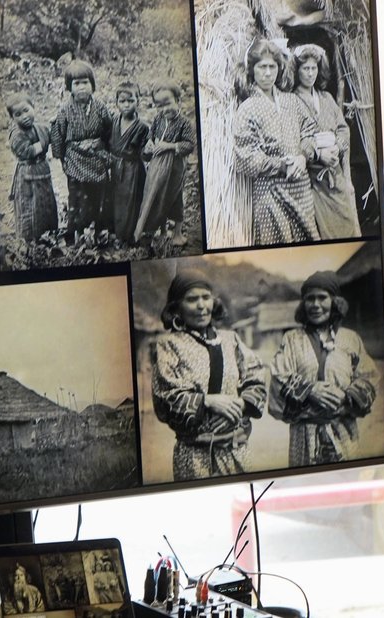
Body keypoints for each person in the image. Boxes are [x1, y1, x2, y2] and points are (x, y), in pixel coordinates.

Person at [150, 268, 267, 480]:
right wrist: (208, 401)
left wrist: (239, 404)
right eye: (192, 299)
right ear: (176, 308)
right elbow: (165, 399)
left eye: (206, 297)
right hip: (194, 457)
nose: (202, 305)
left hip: (236, 450)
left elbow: (256, 377)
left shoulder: (231, 339)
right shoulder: (168, 345)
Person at [269, 270, 378, 466]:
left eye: (322, 298)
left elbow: (370, 377)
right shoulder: (292, 339)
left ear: (335, 302)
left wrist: (346, 397)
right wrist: (309, 390)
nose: (316, 305)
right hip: (304, 435)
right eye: (310, 299)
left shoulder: (350, 339)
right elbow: (278, 377)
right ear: (303, 304)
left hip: (344, 430)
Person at [234, 39, 320, 246]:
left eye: (272, 66)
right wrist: (281, 165)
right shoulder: (247, 108)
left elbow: (310, 132)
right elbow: (246, 158)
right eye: (262, 67)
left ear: (279, 69)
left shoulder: (292, 101)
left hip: (300, 188)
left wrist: (302, 157)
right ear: (252, 70)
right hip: (270, 193)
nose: (267, 73)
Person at [291, 44, 360, 239]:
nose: (311, 73)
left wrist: (337, 147)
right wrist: (319, 154)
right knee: (324, 231)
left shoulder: (327, 98)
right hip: (313, 177)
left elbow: (343, 128)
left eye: (314, 68)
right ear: (297, 71)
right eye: (306, 69)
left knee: (346, 222)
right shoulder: (292, 101)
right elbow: (294, 137)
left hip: (335, 174)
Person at [50, 59, 113, 241]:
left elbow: (108, 130)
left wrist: (104, 148)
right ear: (69, 88)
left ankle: (99, 227)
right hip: (74, 158)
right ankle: (75, 229)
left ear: (92, 85)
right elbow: (57, 135)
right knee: (76, 195)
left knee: (99, 193)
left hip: (96, 156)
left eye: (85, 83)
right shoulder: (64, 111)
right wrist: (61, 157)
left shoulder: (100, 107)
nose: (82, 88)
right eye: (77, 84)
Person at [133, 81, 194, 247]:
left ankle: (177, 234)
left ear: (178, 101)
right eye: (159, 106)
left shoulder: (184, 123)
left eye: (168, 103)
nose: (164, 109)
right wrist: (151, 144)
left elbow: (189, 145)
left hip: (174, 167)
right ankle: (161, 231)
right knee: (157, 196)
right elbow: (151, 136)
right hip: (157, 165)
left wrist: (170, 146)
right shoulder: (158, 119)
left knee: (174, 198)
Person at [5, 92, 58, 243]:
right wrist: (45, 141)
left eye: (26, 110)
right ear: (13, 118)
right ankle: (30, 241)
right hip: (27, 175)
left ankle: (48, 235)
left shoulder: (40, 128)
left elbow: (53, 137)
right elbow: (28, 152)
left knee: (46, 202)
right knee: (29, 206)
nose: (24, 116)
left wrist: (55, 126)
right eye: (18, 114)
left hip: (42, 170)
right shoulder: (16, 135)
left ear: (33, 107)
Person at [103, 81, 149, 244]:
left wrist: (148, 150)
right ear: (116, 103)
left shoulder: (142, 127)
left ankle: (127, 234)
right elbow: (107, 142)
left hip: (132, 169)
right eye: (122, 101)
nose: (126, 105)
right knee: (114, 198)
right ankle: (114, 230)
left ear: (138, 102)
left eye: (131, 101)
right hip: (115, 167)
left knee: (129, 200)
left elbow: (144, 151)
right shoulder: (114, 121)